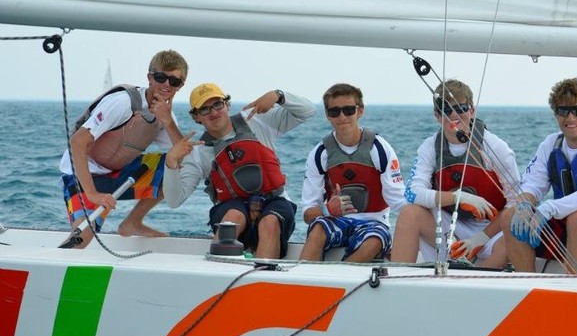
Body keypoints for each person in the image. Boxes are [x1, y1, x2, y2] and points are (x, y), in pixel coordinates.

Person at [163, 83, 315, 259]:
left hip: (275, 201)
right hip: (232, 208)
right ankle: (218, 274)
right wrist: (171, 162)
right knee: (233, 219)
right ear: (196, 117)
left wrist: (279, 95)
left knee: (269, 222)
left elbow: (308, 111)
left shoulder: (257, 121)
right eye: (204, 109)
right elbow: (174, 201)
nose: (213, 112)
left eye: (217, 104)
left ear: (227, 105)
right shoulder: (197, 152)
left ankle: (262, 278)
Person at [60, 49, 188, 248]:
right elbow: (78, 142)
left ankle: (132, 222)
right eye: (160, 77)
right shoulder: (123, 102)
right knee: (82, 239)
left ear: (181, 86)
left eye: (174, 81)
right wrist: (92, 194)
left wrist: (168, 122)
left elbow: (182, 154)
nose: (166, 84)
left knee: (179, 166)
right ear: (150, 77)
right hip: (84, 174)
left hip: (118, 172)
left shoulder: (164, 116)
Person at [499, 77, 577, 273]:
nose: (570, 118)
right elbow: (533, 184)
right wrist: (525, 204)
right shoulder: (550, 144)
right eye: (562, 111)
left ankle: (574, 289)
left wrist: (549, 208)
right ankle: (527, 282)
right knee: (511, 216)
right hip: (566, 225)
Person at [390, 79, 519, 266]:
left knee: (513, 235)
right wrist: (459, 197)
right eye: (446, 110)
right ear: (436, 115)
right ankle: (398, 281)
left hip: (490, 233)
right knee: (410, 213)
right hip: (449, 228)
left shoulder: (496, 148)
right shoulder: (429, 148)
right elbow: (412, 193)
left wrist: (481, 238)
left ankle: (477, 283)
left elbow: (516, 202)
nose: (453, 116)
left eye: (461, 109)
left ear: (472, 111)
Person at [299, 83, 405, 262]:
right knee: (317, 230)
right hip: (336, 221)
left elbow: (399, 201)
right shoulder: (320, 154)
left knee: (374, 241)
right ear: (327, 116)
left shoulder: (379, 149)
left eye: (348, 110)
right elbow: (308, 214)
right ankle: (302, 282)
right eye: (335, 112)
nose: (342, 117)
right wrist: (327, 209)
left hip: (374, 223)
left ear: (360, 111)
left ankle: (339, 283)